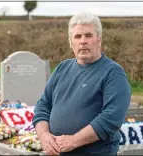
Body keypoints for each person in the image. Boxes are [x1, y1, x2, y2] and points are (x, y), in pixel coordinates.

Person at [32, 12, 131, 156]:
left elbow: (111, 118)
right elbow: (43, 106)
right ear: (71, 43)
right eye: (77, 36)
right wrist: (44, 136)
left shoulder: (113, 73)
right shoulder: (62, 68)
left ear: (99, 40)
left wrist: (73, 141)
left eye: (88, 35)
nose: (83, 41)